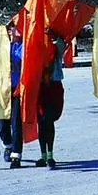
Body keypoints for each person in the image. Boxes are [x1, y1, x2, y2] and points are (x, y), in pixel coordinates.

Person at [35, 33, 66, 169]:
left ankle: (50, 155)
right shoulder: (36, 48)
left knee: (49, 121)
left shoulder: (56, 49)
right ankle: (43, 155)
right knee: (42, 122)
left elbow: (62, 45)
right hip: (40, 88)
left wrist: (56, 35)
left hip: (53, 87)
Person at [0, 22, 24, 169]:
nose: (14, 32)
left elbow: (24, 57)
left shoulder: (20, 46)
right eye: (11, 29)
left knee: (16, 122)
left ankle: (16, 154)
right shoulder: (0, 46)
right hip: (3, 89)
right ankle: (7, 145)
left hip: (17, 90)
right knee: (3, 124)